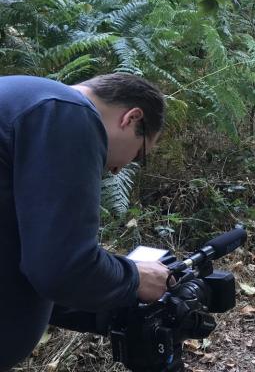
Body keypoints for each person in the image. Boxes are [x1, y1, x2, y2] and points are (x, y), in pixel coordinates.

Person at [0, 73, 172, 370]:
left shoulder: (30, 103)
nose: (119, 170)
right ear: (132, 118)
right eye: (139, 155)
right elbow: (61, 268)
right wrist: (135, 278)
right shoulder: (67, 113)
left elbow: (28, 254)